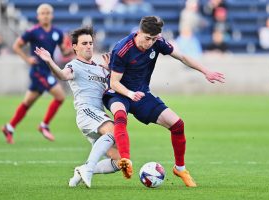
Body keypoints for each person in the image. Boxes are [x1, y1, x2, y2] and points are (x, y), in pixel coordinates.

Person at [103, 16, 225, 187]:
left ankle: (180, 168)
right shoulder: (122, 49)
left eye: (154, 39)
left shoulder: (158, 41)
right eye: (147, 38)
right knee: (120, 115)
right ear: (139, 33)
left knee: (177, 124)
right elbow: (114, 83)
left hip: (141, 94)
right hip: (118, 93)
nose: (151, 43)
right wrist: (130, 94)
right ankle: (125, 160)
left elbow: (182, 57)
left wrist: (206, 71)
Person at [34, 27, 121, 188]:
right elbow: (62, 75)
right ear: (75, 47)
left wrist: (110, 72)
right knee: (114, 131)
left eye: (90, 43)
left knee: (120, 160)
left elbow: (114, 88)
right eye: (84, 43)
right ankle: (88, 167)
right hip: (87, 113)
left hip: (98, 116)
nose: (89, 46)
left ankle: (80, 172)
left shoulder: (100, 68)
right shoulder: (74, 65)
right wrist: (49, 61)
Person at [1, 4, 72, 144]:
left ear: (52, 15)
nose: (45, 15)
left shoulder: (57, 32)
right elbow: (16, 45)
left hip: (47, 71)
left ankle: (9, 127)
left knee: (27, 103)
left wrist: (73, 49)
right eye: (42, 13)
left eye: (48, 13)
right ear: (38, 16)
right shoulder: (33, 31)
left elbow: (64, 52)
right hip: (39, 71)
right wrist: (27, 59)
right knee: (60, 96)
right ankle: (44, 125)